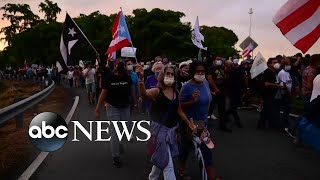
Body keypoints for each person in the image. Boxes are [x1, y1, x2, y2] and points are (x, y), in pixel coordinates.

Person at [137, 64, 193, 180]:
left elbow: (179, 111)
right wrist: (141, 80)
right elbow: (144, 94)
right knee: (168, 163)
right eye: (167, 73)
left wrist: (188, 123)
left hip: (171, 130)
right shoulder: (157, 91)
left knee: (161, 157)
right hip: (159, 131)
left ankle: (152, 177)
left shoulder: (175, 92)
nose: (170, 76)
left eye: (172, 74)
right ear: (162, 75)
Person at [180, 61, 218, 180]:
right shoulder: (187, 87)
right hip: (192, 123)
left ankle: (181, 169)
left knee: (185, 147)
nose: (201, 74)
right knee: (207, 148)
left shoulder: (205, 82)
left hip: (203, 121)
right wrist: (192, 101)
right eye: (198, 71)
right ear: (192, 72)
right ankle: (210, 176)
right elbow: (179, 106)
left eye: (203, 71)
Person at [95, 61, 134, 168]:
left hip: (125, 106)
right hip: (113, 107)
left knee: (126, 128)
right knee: (115, 132)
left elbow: (131, 90)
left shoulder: (127, 77)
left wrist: (134, 104)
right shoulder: (109, 78)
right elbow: (103, 93)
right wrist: (98, 108)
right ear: (116, 69)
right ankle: (115, 157)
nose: (121, 73)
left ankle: (119, 144)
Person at [257, 58, 284, 129]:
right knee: (271, 109)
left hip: (273, 94)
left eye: (277, 62)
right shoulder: (267, 72)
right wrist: (278, 86)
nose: (276, 64)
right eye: (274, 62)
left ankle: (261, 124)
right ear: (269, 64)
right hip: (268, 94)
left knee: (267, 109)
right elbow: (266, 83)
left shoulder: (274, 72)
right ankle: (276, 125)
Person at [207, 57, 231, 132]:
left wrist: (226, 63)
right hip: (213, 91)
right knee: (210, 107)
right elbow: (209, 78)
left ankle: (222, 125)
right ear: (214, 61)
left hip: (222, 91)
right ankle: (205, 124)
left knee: (222, 109)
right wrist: (215, 88)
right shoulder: (211, 68)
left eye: (220, 60)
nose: (219, 61)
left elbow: (227, 74)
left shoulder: (223, 68)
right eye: (217, 59)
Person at [277, 58, 293, 131]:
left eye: (289, 64)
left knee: (287, 109)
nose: (289, 66)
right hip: (285, 94)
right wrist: (288, 93)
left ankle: (285, 122)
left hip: (288, 93)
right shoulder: (282, 73)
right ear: (283, 65)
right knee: (286, 109)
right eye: (287, 64)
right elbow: (284, 85)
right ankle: (284, 124)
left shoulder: (287, 72)